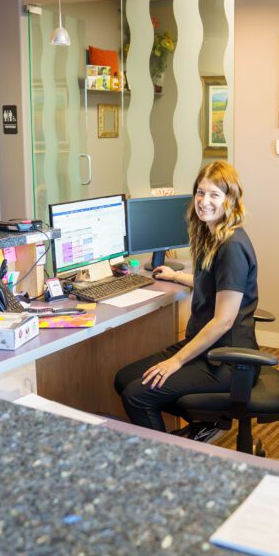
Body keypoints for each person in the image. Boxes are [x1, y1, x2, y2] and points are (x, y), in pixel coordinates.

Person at [114, 161, 258, 431]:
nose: (204, 201)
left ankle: (168, 460)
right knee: (125, 379)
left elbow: (224, 321)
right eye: (200, 193)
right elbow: (217, 284)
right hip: (208, 347)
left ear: (231, 199)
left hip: (228, 360)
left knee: (137, 395)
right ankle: (194, 432)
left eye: (215, 194)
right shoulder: (213, 236)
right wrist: (177, 276)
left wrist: (176, 361)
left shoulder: (232, 248)